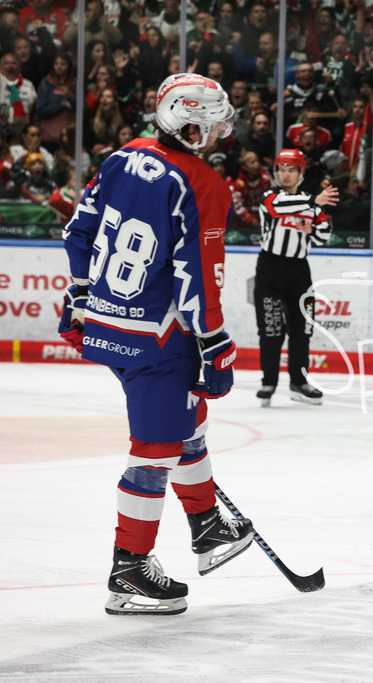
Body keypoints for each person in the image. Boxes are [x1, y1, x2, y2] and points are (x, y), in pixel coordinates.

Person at [58, 73, 255, 615]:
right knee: (155, 451)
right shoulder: (204, 184)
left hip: (107, 326)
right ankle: (130, 570)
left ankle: (207, 524)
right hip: (159, 340)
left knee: (186, 422)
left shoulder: (121, 157)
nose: (217, 134)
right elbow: (198, 276)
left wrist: (77, 300)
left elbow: (79, 232)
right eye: (210, 125)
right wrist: (216, 347)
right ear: (188, 126)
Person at [254, 148, 339, 407]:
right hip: (270, 267)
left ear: (300, 174)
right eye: (282, 169)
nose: (286, 174)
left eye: (291, 169)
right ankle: (268, 381)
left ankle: (299, 381)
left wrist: (311, 227)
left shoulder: (310, 203)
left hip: (299, 270)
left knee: (302, 329)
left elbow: (324, 236)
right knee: (271, 328)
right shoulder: (271, 196)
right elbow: (278, 209)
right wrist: (315, 201)